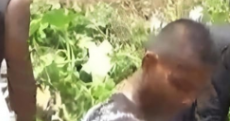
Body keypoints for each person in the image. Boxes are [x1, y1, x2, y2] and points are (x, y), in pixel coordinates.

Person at [81, 19, 219, 121]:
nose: (188, 100)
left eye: (196, 92)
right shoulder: (116, 117)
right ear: (149, 64)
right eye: (180, 85)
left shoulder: (154, 112)